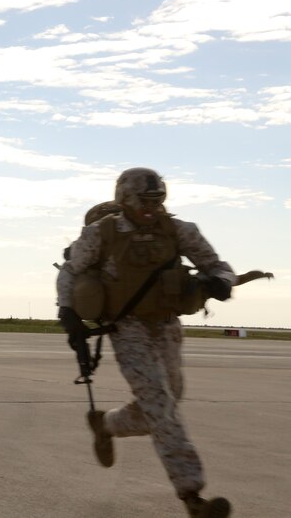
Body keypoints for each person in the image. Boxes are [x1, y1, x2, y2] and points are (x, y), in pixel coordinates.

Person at [55, 167, 235, 518]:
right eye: (144, 201)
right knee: (160, 402)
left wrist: (221, 281)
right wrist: (67, 311)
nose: (151, 208)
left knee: (165, 404)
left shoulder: (179, 230)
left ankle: (106, 424)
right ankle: (192, 496)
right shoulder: (101, 234)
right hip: (128, 329)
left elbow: (217, 264)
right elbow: (71, 271)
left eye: (158, 200)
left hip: (167, 326)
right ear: (124, 200)